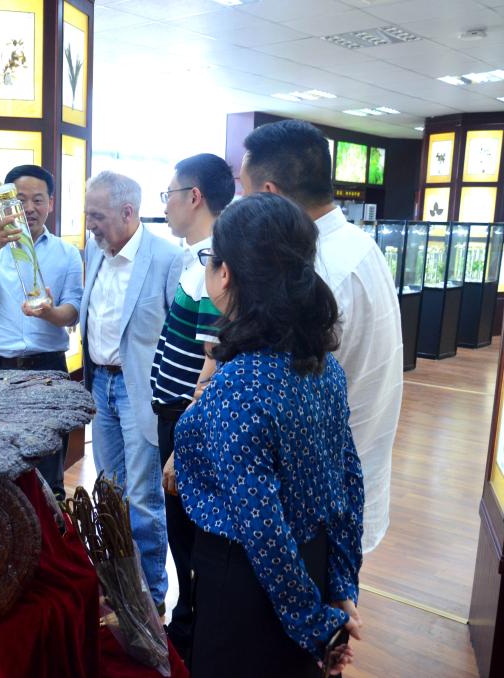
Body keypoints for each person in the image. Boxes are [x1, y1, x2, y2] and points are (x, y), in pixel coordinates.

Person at [175, 193, 363, 677]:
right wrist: (340, 586)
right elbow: (348, 481)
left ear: (226, 274)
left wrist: (315, 625)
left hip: (250, 583)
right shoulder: (324, 368)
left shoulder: (239, 385)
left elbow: (262, 527)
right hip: (311, 568)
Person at [241, 119, 403, 557]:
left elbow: (285, 401)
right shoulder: (360, 245)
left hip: (319, 502)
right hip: (352, 480)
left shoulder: (315, 272)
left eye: (244, 193)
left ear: (270, 194)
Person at [79, 171, 182, 607]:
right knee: (110, 492)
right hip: (99, 384)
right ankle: (119, 585)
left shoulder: (168, 258)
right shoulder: (95, 250)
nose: (90, 225)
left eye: (97, 216)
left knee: (142, 498)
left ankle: (151, 597)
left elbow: (180, 336)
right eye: (88, 215)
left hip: (140, 391)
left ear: (127, 212)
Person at [148, 153, 234, 657]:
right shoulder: (197, 256)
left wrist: (183, 447)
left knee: (189, 536)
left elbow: (211, 367)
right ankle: (188, 628)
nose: (166, 205)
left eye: (170, 195)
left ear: (194, 197)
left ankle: (191, 636)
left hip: (187, 420)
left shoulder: (213, 261)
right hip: (176, 415)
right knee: (182, 535)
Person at [0, 164, 83, 498]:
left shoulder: (67, 253)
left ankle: (51, 526)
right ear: (5, 204)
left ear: (51, 203)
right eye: (21, 200)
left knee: (48, 466)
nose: (29, 208)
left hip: (48, 369)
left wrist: (51, 313)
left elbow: (73, 310)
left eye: (38, 200)